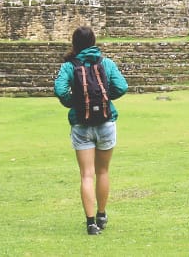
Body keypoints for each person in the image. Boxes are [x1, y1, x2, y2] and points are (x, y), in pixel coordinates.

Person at [53, 25, 128, 236]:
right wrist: (105, 97)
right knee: (103, 171)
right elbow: (122, 87)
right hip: (106, 122)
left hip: (81, 124)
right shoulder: (106, 63)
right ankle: (102, 214)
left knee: (87, 175)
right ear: (94, 41)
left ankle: (90, 223)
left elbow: (59, 89)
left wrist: (75, 102)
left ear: (74, 44)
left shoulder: (69, 66)